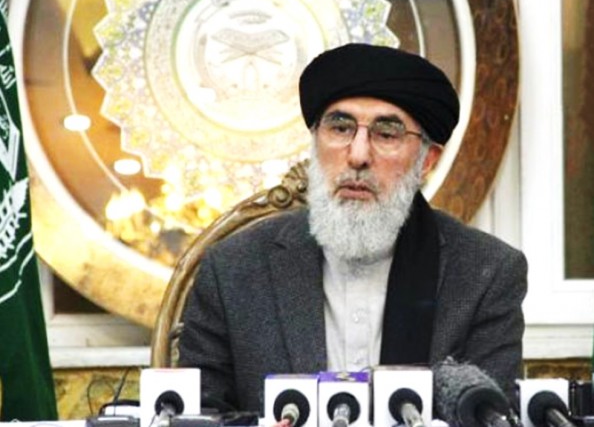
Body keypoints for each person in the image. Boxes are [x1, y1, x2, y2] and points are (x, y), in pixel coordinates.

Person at [178, 43, 528, 415]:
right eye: (341, 128)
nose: (358, 155)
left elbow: (488, 416)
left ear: (427, 161)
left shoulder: (486, 272)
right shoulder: (233, 270)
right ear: (315, 143)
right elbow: (200, 415)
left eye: (386, 134)